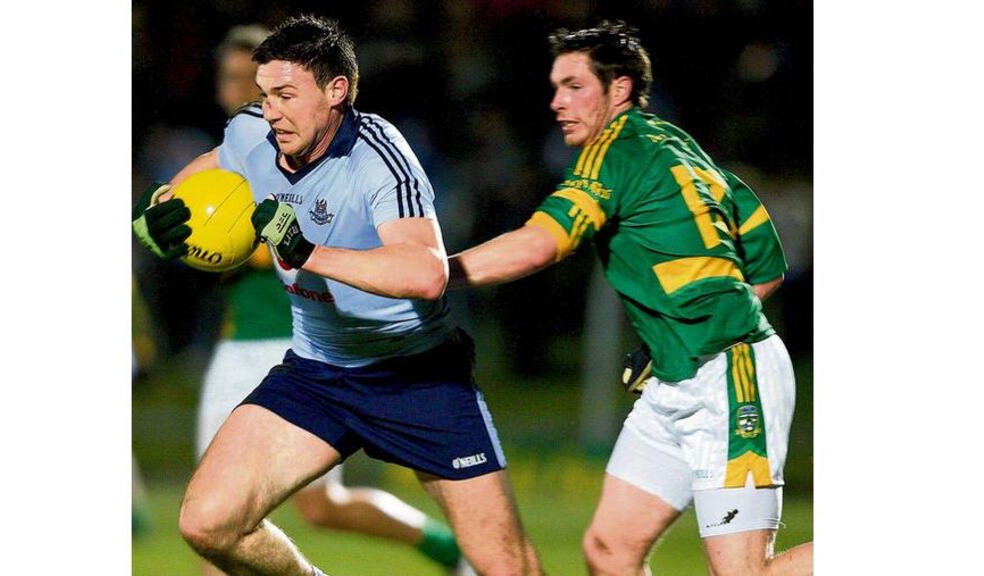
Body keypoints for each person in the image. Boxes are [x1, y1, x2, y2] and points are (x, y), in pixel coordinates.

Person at [132, 14, 542, 576]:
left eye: (285, 96)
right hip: (316, 373)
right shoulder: (254, 132)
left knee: (507, 567)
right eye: (265, 95)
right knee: (208, 522)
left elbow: (425, 272)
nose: (270, 111)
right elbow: (216, 164)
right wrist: (159, 209)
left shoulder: (380, 156)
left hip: (414, 375)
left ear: (336, 91)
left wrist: (308, 252)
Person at [447, 21, 812, 576]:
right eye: (555, 87)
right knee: (609, 550)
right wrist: (678, 331)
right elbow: (764, 263)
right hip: (676, 378)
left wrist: (437, 273)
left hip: (728, 377)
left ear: (619, 88)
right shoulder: (678, 146)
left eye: (574, 86)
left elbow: (540, 244)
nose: (557, 102)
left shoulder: (611, 151)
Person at [193, 24, 471, 576]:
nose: (243, 92)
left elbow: (346, 246)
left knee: (319, 506)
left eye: (269, 87)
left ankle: (447, 546)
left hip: (306, 342)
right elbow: (195, 217)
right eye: (236, 80)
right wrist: (175, 227)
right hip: (239, 341)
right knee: (214, 513)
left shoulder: (336, 157)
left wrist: (265, 246)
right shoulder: (238, 152)